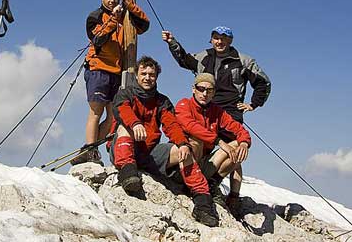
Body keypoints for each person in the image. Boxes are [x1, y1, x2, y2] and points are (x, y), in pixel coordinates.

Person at [162, 26, 270, 201]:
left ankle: (231, 195)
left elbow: (263, 82)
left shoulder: (243, 60)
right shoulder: (203, 56)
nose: (219, 42)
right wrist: (172, 42)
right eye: (216, 38)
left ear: (230, 41)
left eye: (224, 38)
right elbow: (184, 59)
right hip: (204, 109)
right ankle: (193, 180)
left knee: (234, 153)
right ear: (211, 40)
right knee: (198, 144)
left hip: (230, 113)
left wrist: (253, 104)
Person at [110, 56, 219, 227]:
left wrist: (182, 143)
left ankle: (202, 203)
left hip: (149, 152)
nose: (147, 77)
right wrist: (135, 123)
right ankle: (127, 173)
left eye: (151, 74)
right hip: (124, 148)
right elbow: (122, 110)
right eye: (143, 73)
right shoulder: (125, 94)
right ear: (137, 76)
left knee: (184, 151)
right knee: (124, 127)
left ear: (156, 77)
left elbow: (171, 125)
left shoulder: (162, 101)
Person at [74, 0, 149, 165]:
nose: (111, 0)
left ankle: (90, 149)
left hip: (117, 71)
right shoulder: (95, 16)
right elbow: (98, 39)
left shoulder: (125, 16)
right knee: (96, 111)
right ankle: (91, 150)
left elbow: (145, 24)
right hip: (98, 68)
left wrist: (130, 5)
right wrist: (114, 19)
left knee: (114, 115)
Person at [175, 73, 251, 212]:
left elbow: (239, 129)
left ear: (214, 93)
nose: (204, 93)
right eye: (201, 89)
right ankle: (190, 182)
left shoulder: (217, 111)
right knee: (195, 140)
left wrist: (244, 143)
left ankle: (211, 183)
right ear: (194, 89)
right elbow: (190, 126)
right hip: (186, 161)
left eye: (209, 90)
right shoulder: (184, 104)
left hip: (205, 162)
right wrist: (219, 141)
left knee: (237, 146)